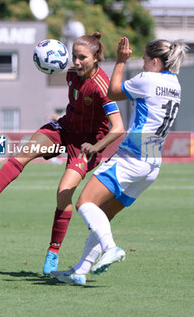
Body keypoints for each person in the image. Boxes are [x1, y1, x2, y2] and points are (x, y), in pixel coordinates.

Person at [0, 32, 124, 275]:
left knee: (63, 194)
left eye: (82, 57)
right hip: (65, 130)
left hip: (87, 145)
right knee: (24, 152)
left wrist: (95, 147)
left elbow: (118, 128)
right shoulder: (72, 74)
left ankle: (53, 252)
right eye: (74, 56)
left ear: (96, 58)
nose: (76, 62)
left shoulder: (102, 87)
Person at [51, 36, 189, 285]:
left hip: (131, 157)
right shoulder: (176, 84)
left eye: (145, 61)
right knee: (103, 214)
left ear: (155, 62)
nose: (144, 65)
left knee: (84, 203)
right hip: (152, 164)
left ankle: (111, 248)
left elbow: (112, 91)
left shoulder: (147, 80)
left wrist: (121, 62)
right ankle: (80, 271)